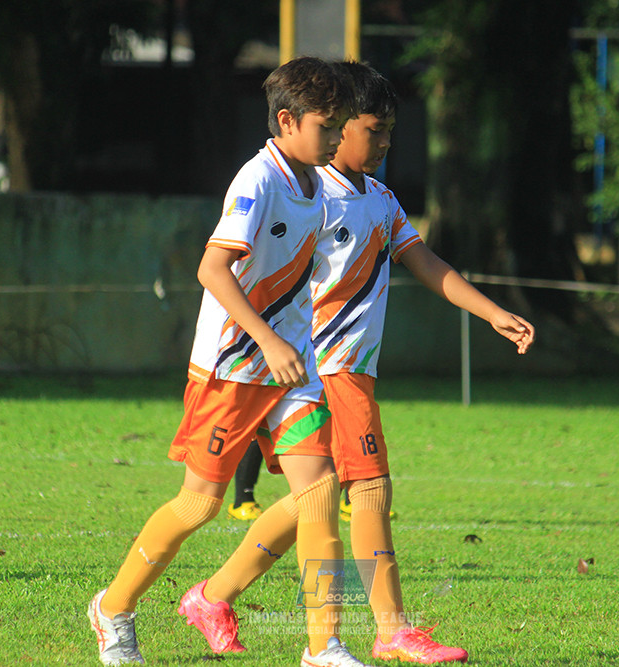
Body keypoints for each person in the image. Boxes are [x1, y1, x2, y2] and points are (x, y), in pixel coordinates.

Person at [184, 62, 535, 664]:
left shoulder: (381, 198)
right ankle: (391, 629)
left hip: (355, 370)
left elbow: (426, 262)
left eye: (390, 132)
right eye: (374, 129)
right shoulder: (311, 194)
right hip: (323, 368)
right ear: (341, 125)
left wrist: (489, 312)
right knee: (369, 491)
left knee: (311, 502)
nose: (384, 142)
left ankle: (213, 596)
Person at [88, 56, 375, 667]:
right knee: (199, 504)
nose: (336, 138)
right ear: (287, 120)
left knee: (319, 493)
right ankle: (113, 608)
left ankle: (325, 647)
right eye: (328, 126)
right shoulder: (258, 180)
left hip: (291, 372)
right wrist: (267, 341)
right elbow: (211, 269)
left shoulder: (318, 183)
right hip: (232, 368)